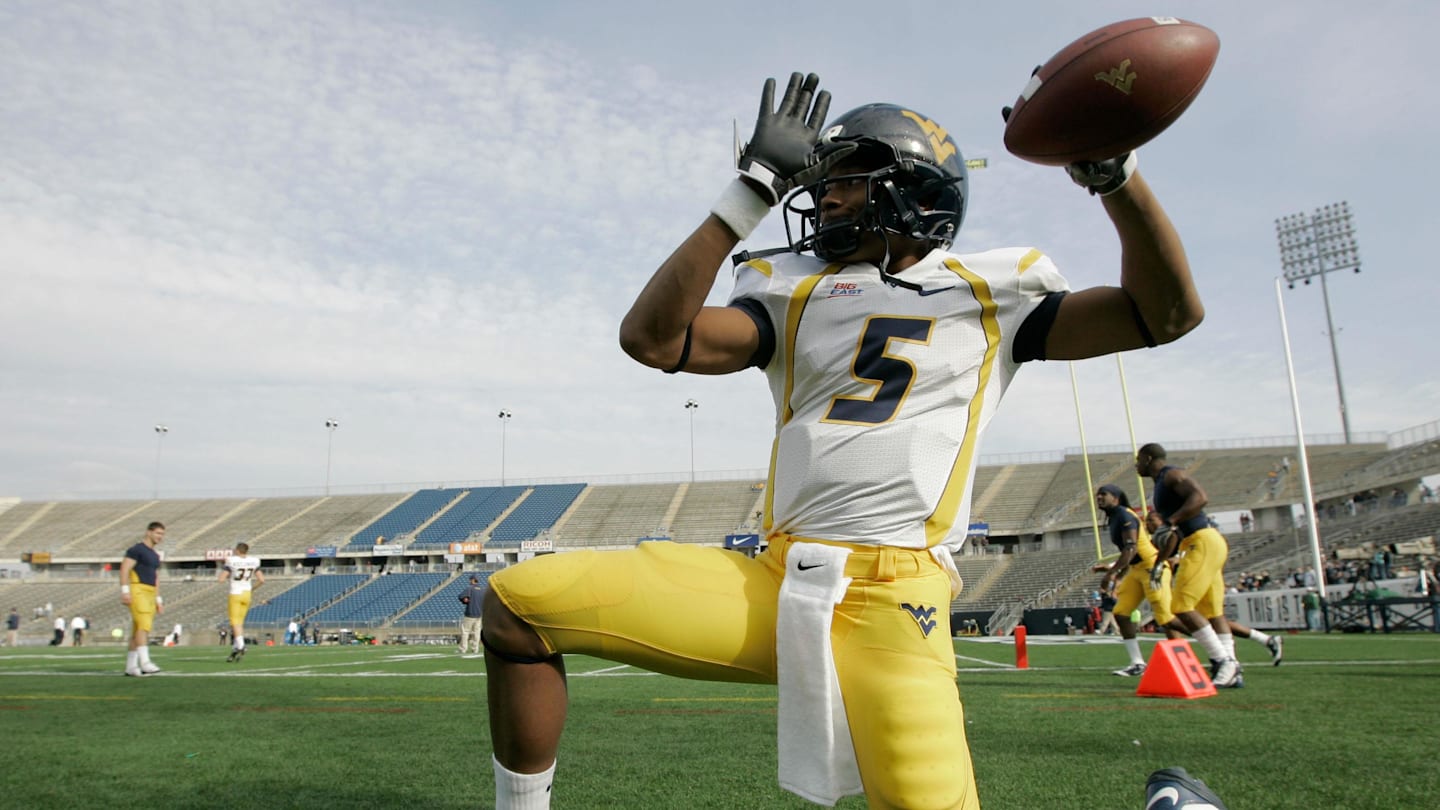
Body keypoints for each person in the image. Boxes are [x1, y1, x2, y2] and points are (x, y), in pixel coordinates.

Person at [482, 71, 1203, 810]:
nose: (824, 195)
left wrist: (1118, 178)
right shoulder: (791, 292)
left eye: (849, 180)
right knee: (518, 605)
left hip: (899, 599)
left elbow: (1165, 314)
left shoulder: (995, 295)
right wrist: (751, 189)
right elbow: (652, 337)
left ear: (916, 189)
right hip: (776, 581)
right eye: (824, 181)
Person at [1138, 445, 1282, 687]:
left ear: (1148, 458)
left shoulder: (1171, 475)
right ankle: (1231, 668)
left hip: (1201, 541)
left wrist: (1171, 521)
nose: (1136, 465)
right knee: (1214, 613)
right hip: (1202, 541)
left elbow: (1201, 498)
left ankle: (1224, 661)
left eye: (1138, 460)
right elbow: (1175, 532)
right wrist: (1160, 561)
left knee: (1181, 606)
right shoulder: (1161, 483)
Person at [1093, 485, 1179, 676]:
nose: (1099, 497)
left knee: (1166, 619)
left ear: (1115, 498)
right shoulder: (1115, 517)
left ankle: (1206, 641)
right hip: (1137, 569)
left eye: (1103, 494)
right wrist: (1112, 569)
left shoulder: (1125, 515)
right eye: (1097, 495)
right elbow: (1130, 553)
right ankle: (1137, 663)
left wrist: (1112, 573)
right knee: (1121, 613)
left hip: (1152, 567)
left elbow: (1131, 548)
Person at [119, 521, 166, 676]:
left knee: (138, 629)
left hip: (150, 591)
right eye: (158, 533)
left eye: (162, 534)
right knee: (144, 626)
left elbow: (156, 577)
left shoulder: (155, 555)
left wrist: (158, 599)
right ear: (149, 532)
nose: (160, 537)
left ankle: (131, 666)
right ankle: (145, 662)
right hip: (138, 588)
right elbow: (125, 569)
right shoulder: (136, 550)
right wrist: (125, 591)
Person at [218, 541, 264, 663]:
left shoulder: (232, 560)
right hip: (247, 594)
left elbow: (221, 579)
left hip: (235, 593)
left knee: (235, 623)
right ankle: (235, 648)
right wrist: (252, 589)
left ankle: (241, 645)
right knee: (239, 624)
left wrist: (226, 573)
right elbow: (262, 580)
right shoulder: (254, 561)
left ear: (238, 550)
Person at [458, 575, 485, 655]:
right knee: (477, 632)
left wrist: (464, 600)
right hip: (479, 614)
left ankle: (463, 649)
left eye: (470, 579)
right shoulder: (483, 590)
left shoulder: (470, 588)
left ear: (473, 580)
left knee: (465, 631)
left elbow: (461, 596)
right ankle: (475, 649)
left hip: (470, 613)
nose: (469, 581)